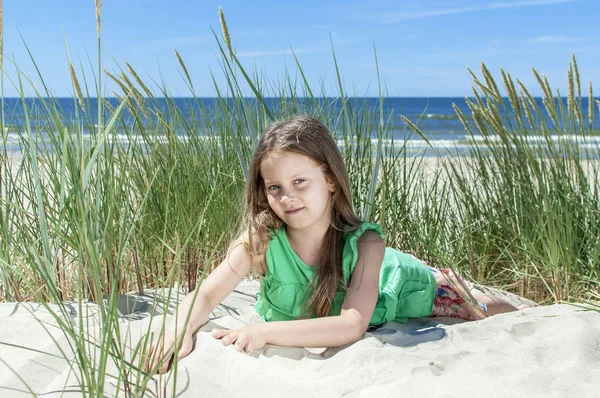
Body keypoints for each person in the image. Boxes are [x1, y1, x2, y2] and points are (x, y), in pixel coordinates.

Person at [143, 115, 520, 374]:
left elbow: (352, 325)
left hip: (397, 284)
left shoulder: (367, 243)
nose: (287, 197)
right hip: (365, 288)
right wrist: (180, 327)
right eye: (275, 187)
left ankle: (453, 283)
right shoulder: (262, 239)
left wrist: (262, 332)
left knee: (481, 310)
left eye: (300, 182)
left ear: (331, 181)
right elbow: (207, 296)